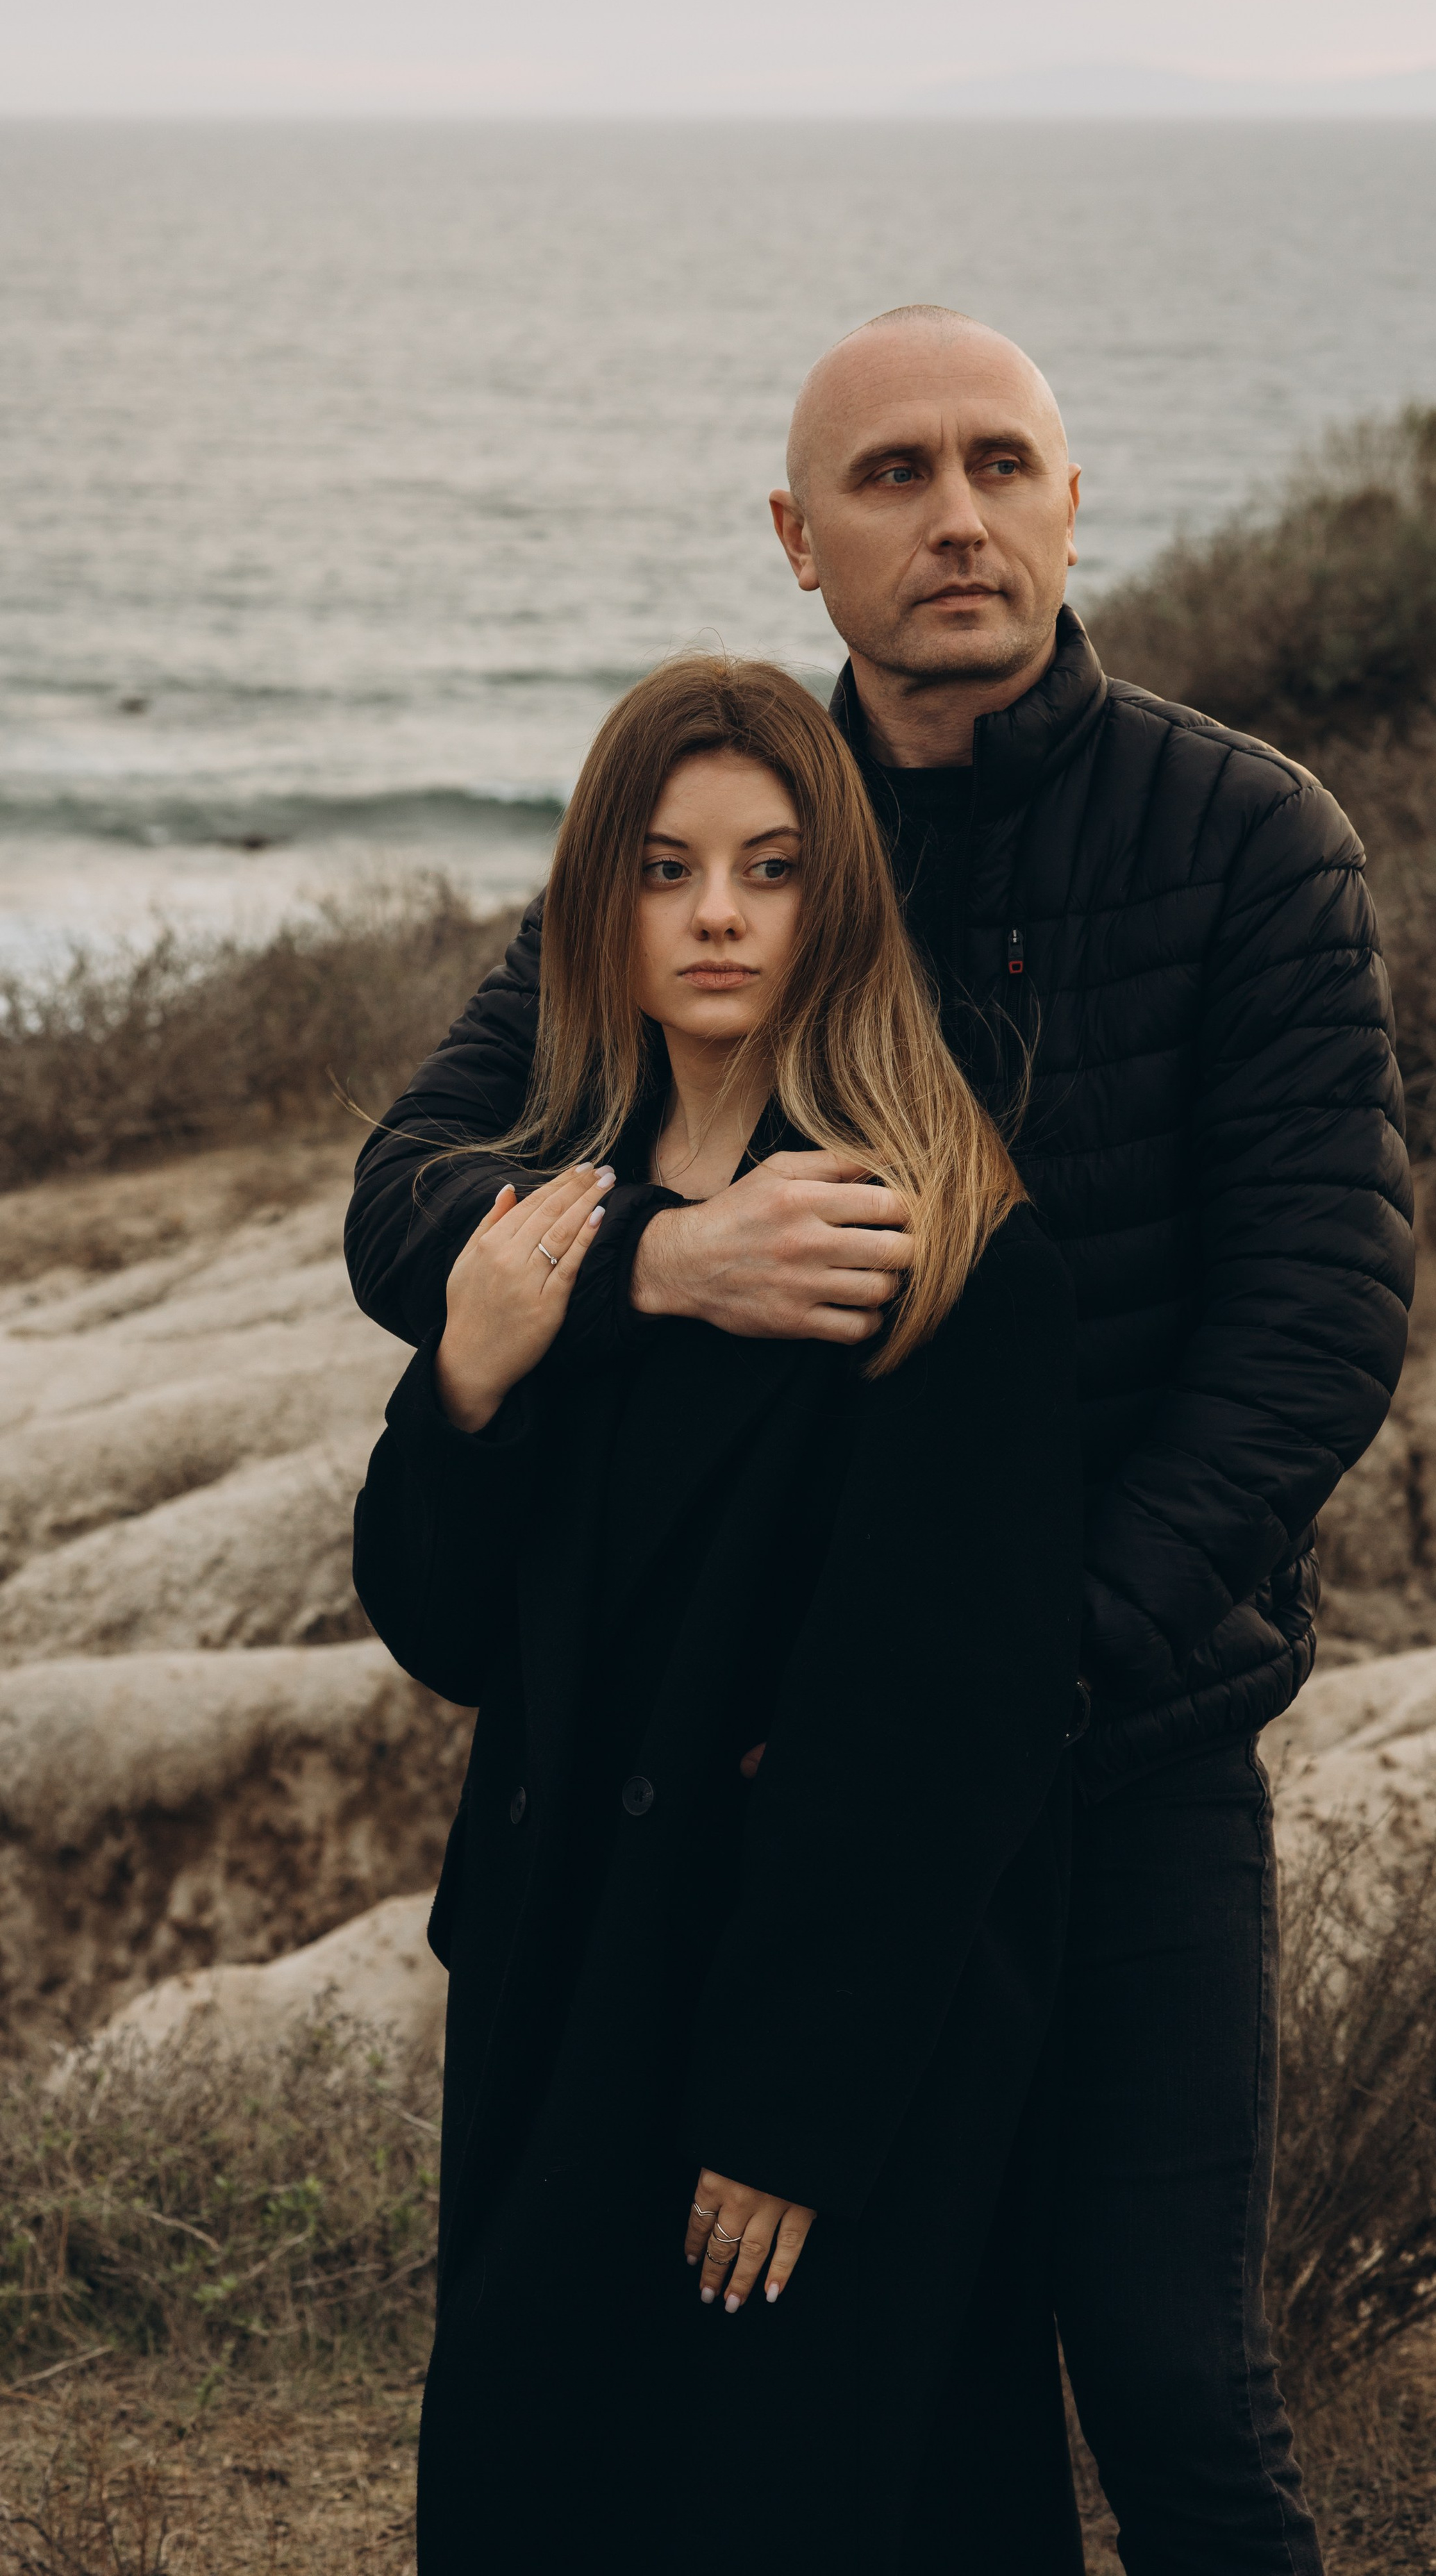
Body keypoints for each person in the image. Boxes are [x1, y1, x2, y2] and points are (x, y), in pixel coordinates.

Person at [347, 306, 1415, 2575]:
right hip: (754, 1811)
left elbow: (1316, 1332)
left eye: (1002, 465)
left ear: (1070, 500)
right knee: (836, 2398)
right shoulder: (756, 830)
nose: (958, 518)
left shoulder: (1247, 842)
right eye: (896, 477)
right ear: (796, 538)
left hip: (1117, 1754)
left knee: (1161, 2374)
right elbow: (415, 1188)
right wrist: (658, 1253)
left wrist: (984, 1695)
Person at [351, 654, 1085, 2575]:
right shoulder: (562, 1224)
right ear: (601, 902)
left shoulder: (934, 1237)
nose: (716, 916)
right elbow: (444, 1631)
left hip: (796, 2029)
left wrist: (795, 2114)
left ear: (832, 896)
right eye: (667, 870)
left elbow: (942, 1726)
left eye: (766, 869)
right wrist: (476, 1382)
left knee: (790, 2501)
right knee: (537, 2491)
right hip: (561, 1976)